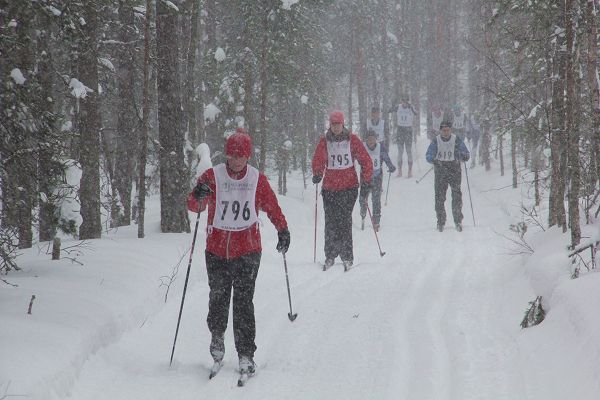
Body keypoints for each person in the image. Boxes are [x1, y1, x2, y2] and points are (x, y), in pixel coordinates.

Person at [187, 130, 290, 377]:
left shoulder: (257, 179)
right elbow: (194, 206)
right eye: (232, 155)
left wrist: (282, 229)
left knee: (244, 303)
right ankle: (217, 338)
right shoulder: (212, 176)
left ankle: (246, 354)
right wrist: (198, 195)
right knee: (218, 298)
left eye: (240, 156)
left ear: (248, 156)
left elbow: (272, 206)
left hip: (248, 249)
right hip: (217, 249)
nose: (235, 161)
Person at [311, 110, 373, 270]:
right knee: (331, 221)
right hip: (330, 187)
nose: (335, 127)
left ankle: (346, 256)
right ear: (330, 125)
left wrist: (366, 180)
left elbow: (365, 160)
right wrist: (317, 173)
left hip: (349, 187)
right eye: (333, 124)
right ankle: (330, 255)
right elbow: (318, 158)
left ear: (342, 124)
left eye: (338, 124)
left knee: (344, 220)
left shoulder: (352, 139)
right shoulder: (325, 141)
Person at [425, 120, 470, 232]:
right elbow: (428, 154)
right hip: (440, 169)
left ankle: (458, 220)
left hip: (454, 168)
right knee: (439, 197)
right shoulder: (436, 140)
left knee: (456, 195)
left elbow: (465, 153)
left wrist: (463, 156)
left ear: (451, 130)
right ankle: (440, 221)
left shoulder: (456, 139)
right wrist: (433, 159)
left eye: (447, 130)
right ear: (440, 131)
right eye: (443, 130)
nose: (445, 132)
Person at [359, 129, 396, 232]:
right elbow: (356, 157)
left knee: (376, 199)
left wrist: (391, 166)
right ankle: (363, 213)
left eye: (373, 139)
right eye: (369, 139)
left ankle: (376, 221)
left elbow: (386, 158)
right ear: (365, 140)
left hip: (377, 177)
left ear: (376, 139)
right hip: (365, 177)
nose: (371, 142)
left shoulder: (380, 147)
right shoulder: (363, 147)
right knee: (363, 198)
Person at [391, 96, 417, 178]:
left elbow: (416, 113)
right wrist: (393, 104)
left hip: (408, 130)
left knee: (409, 151)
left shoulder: (410, 107)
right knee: (400, 151)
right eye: (403, 101)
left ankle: (410, 171)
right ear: (401, 101)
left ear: (408, 101)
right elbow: (390, 110)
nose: (404, 103)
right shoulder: (398, 107)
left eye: (406, 101)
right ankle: (400, 172)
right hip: (400, 129)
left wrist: (411, 108)